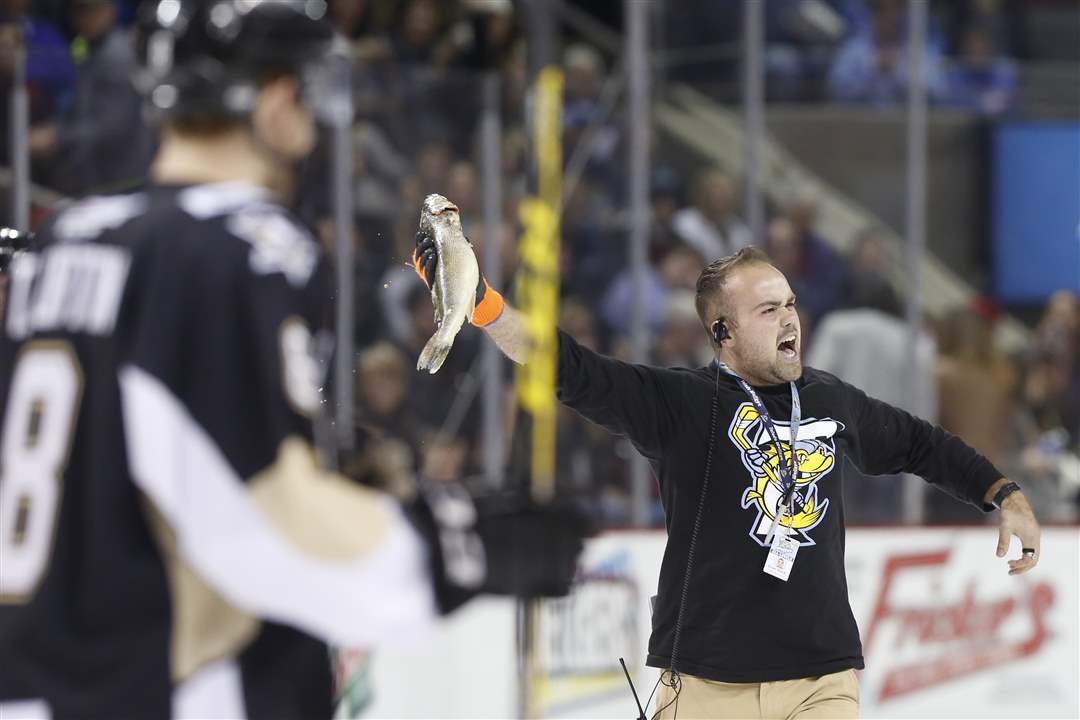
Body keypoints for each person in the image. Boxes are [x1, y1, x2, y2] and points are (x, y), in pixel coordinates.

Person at [0, 2, 582, 718]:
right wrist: (460, 550)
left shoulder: (69, 237)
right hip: (170, 688)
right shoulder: (237, 244)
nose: (314, 122)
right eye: (311, 92)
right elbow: (261, 516)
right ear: (275, 98)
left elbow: (149, 460)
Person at [413, 239, 1042, 719]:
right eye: (769, 309)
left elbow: (919, 443)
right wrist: (484, 306)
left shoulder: (831, 399)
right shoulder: (679, 404)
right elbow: (571, 368)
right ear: (724, 332)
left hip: (820, 681)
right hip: (707, 685)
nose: (790, 318)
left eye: (791, 303)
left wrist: (1002, 493)